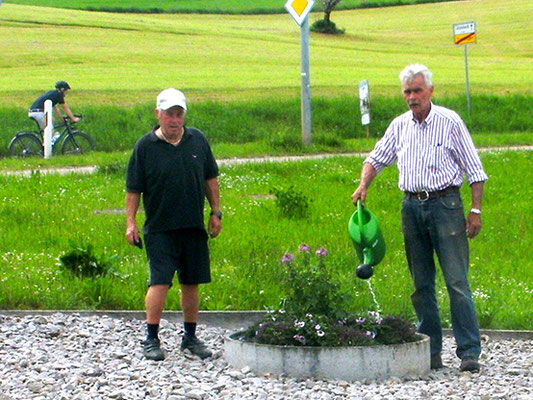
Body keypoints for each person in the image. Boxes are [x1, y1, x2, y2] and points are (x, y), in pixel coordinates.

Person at [351, 64, 488, 373]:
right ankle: (430, 350)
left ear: (430, 91)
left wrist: (475, 210)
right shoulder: (400, 125)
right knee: (421, 284)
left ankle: (468, 351)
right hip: (411, 208)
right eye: (407, 91)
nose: (412, 97)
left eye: (417, 90)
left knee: (456, 281)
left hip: (446, 205)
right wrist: (363, 185)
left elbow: (475, 170)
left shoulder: (449, 122)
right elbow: (376, 157)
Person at [125, 88, 222, 361]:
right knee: (160, 282)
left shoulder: (197, 140)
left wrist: (216, 212)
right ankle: (151, 338)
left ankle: (190, 337)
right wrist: (130, 223)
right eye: (169, 114)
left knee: (191, 282)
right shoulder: (144, 147)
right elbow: (133, 190)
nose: (174, 120)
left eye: (179, 114)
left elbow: (210, 178)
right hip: (160, 227)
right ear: (158, 114)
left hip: (192, 225)